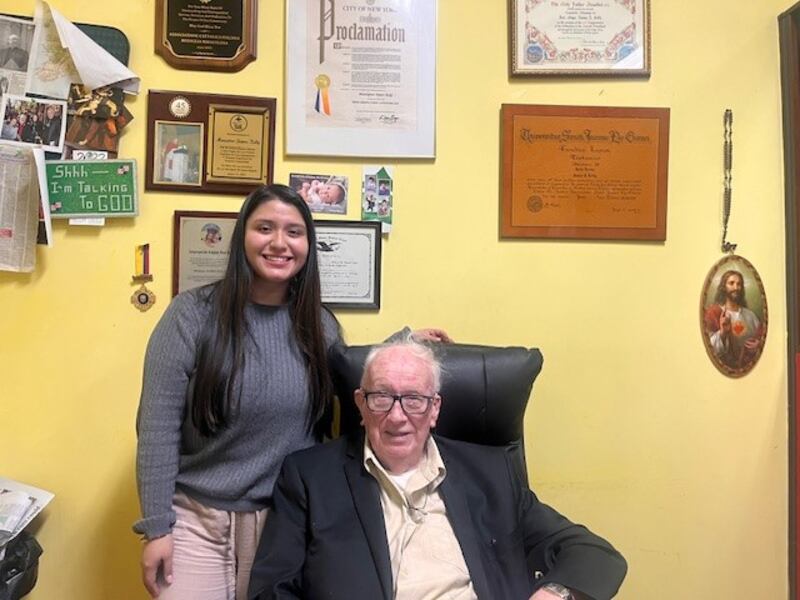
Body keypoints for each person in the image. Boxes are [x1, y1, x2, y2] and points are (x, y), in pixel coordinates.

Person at [134, 184, 451, 600]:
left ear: (308, 246)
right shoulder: (191, 315)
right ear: (242, 236)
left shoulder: (319, 326)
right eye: (265, 228)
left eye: (294, 232)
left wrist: (403, 342)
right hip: (196, 517)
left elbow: (352, 380)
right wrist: (157, 528)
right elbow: (157, 428)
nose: (279, 243)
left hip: (284, 517)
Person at [248, 341, 628, 600]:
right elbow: (271, 590)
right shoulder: (310, 477)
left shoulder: (491, 475)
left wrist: (555, 594)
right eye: (382, 397)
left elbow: (595, 555)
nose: (397, 417)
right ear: (361, 406)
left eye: (414, 399)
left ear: (435, 410)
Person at [704, 269, 763, 369]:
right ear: (724, 287)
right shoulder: (714, 313)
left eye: (739, 284)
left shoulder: (750, 315)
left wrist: (758, 345)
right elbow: (709, 349)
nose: (736, 287)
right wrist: (722, 332)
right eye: (731, 283)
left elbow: (762, 338)